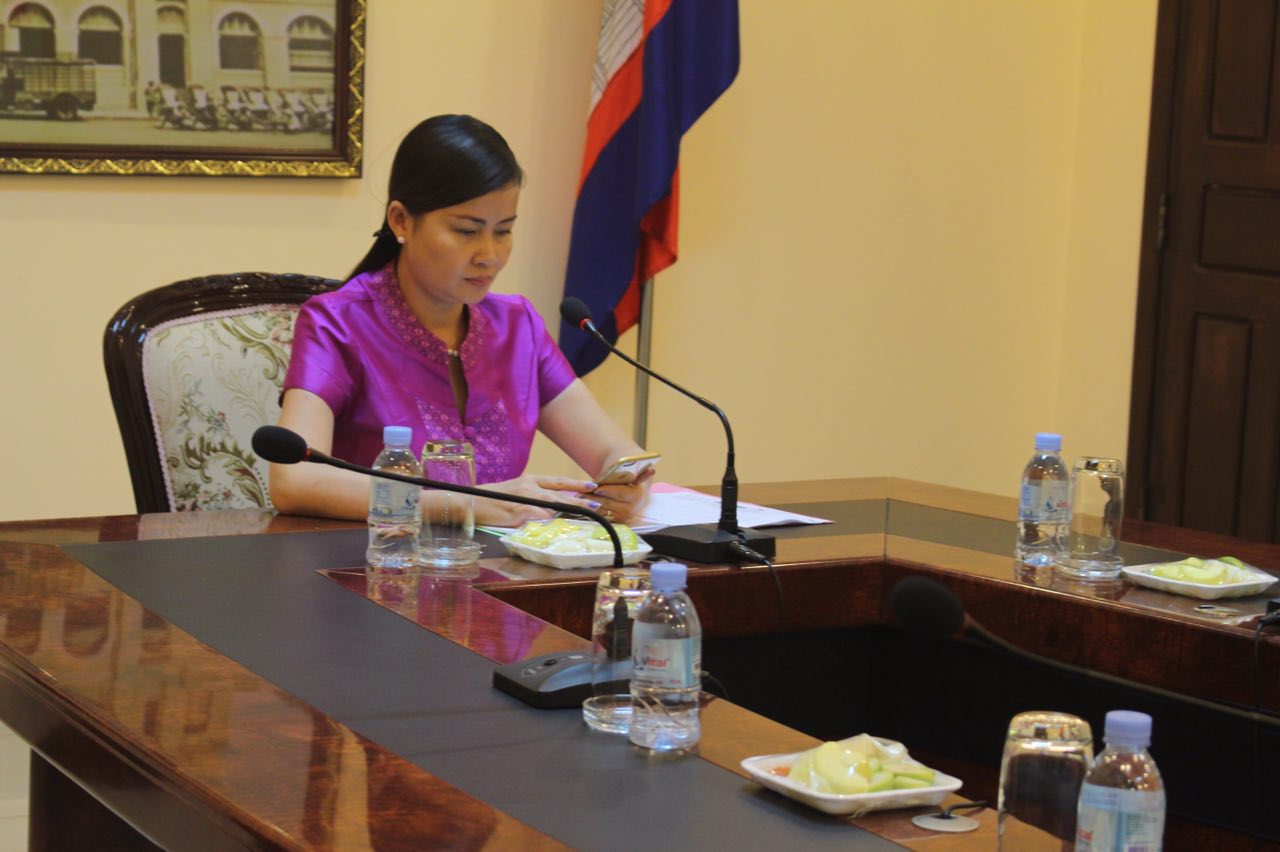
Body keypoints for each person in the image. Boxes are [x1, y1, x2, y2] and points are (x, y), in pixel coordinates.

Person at [270, 114, 652, 526]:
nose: (489, 254)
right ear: (401, 221)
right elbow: (293, 481)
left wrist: (628, 484)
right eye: (467, 231)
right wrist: (460, 503)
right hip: (378, 568)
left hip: (505, 572)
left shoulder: (518, 326)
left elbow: (616, 453)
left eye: (503, 231)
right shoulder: (337, 322)